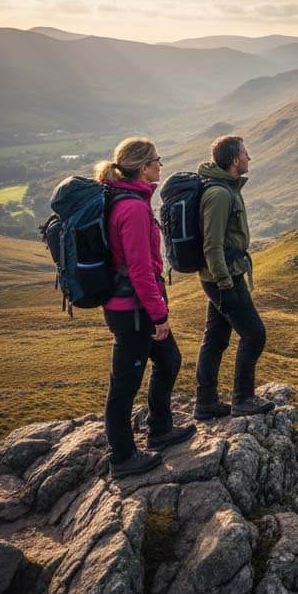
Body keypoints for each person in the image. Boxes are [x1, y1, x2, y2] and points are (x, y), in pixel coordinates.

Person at [96, 137, 195, 477]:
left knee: (169, 360)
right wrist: (159, 316)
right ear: (142, 167)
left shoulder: (124, 199)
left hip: (130, 306)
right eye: (157, 160)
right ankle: (123, 458)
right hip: (133, 310)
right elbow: (140, 269)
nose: (160, 165)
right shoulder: (133, 208)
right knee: (124, 385)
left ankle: (160, 429)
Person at [193, 135, 274, 419]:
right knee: (254, 334)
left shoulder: (226, 188)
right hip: (223, 277)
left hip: (223, 274)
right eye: (245, 153)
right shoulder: (219, 194)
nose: (249, 157)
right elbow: (211, 245)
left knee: (215, 338)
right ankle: (242, 399)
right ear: (235, 160)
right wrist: (225, 285)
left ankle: (205, 404)